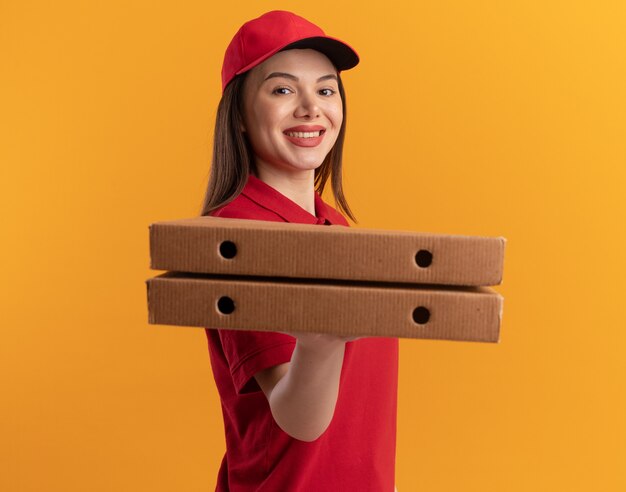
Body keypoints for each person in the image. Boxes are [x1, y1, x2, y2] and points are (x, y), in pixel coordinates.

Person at [200, 10, 399, 492]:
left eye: (326, 90)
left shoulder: (336, 229)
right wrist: (321, 341)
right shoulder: (236, 241)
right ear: (241, 117)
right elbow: (297, 419)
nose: (312, 108)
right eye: (283, 89)